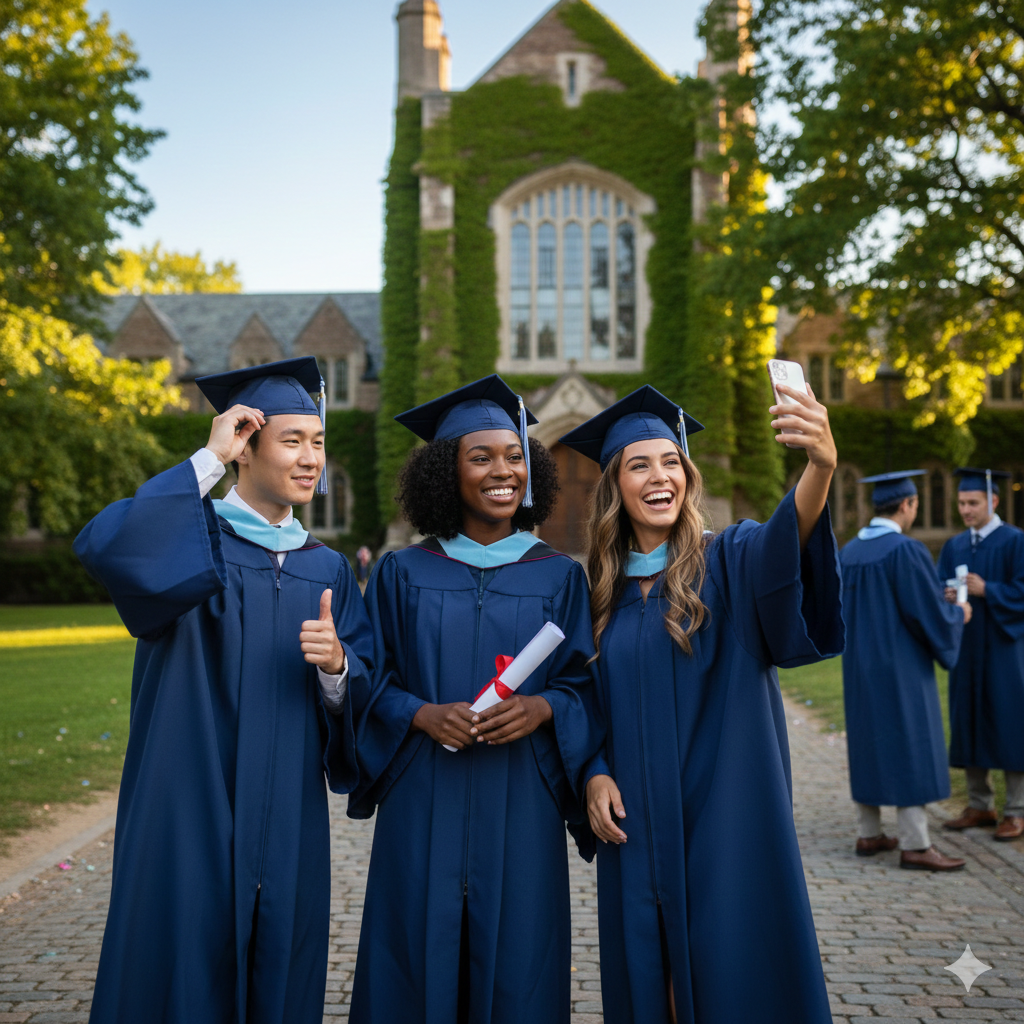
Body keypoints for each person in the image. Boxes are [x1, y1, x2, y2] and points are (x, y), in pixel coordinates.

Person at [74, 357, 374, 1024]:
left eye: (317, 442)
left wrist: (336, 669)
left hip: (288, 817)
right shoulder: (189, 537)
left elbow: (362, 698)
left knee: (281, 965)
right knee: (182, 965)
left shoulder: (326, 567)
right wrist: (206, 460)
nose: (310, 459)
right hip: (188, 800)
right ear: (245, 447)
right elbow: (105, 544)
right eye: (291, 441)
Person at [560, 382, 844, 1024]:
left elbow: (784, 537)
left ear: (687, 476)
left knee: (728, 968)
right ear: (616, 486)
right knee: (647, 967)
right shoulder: (597, 594)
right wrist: (592, 769)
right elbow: (579, 697)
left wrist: (820, 466)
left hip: (725, 811)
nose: (659, 477)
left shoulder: (730, 560)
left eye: (670, 463)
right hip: (634, 813)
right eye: (639, 464)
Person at [347, 375, 602, 1024]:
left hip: (522, 798)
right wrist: (421, 714)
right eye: (480, 456)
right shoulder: (403, 573)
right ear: (444, 472)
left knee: (518, 966)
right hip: (424, 796)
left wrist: (544, 708)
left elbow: (585, 686)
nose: (502, 471)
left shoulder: (558, 576)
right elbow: (366, 679)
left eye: (515, 456)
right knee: (414, 954)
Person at [840, 471, 969, 871]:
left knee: (869, 741)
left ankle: (869, 832)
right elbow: (924, 613)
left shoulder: (850, 551)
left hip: (860, 666)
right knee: (909, 741)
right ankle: (915, 842)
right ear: (908, 505)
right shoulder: (905, 550)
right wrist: (956, 613)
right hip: (901, 667)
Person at [938, 467, 1024, 841]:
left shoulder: (1015, 541)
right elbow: (938, 587)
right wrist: (946, 598)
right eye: (961, 503)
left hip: (1005, 650)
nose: (966, 510)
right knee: (968, 719)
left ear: (993, 500)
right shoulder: (955, 545)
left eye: (973, 502)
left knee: (1008, 723)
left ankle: (1016, 811)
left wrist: (990, 590)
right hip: (968, 649)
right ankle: (979, 804)